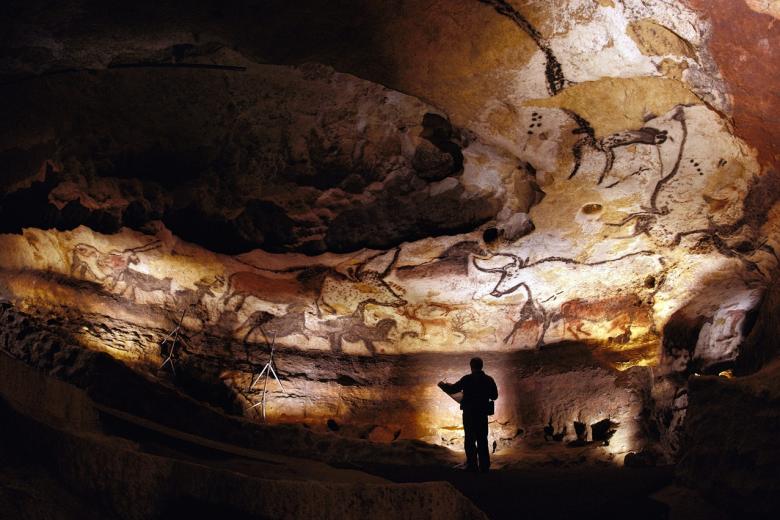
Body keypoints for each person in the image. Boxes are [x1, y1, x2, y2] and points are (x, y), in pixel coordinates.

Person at [438, 357, 498, 473]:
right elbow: (494, 396)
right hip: (482, 414)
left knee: (470, 440)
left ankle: (472, 465)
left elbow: (453, 389)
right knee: (482, 440)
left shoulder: (467, 379)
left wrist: (443, 385)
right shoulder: (489, 379)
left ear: (471, 366)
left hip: (469, 414)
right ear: (482, 366)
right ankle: (484, 466)